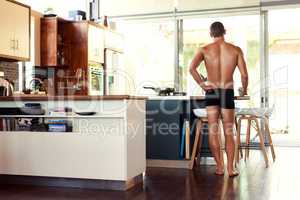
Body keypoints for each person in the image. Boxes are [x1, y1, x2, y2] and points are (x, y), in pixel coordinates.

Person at [189, 21, 248, 177]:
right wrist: (245, 90)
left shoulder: (204, 49)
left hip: (212, 92)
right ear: (224, 31)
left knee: (214, 131)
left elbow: (191, 68)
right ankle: (231, 169)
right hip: (227, 91)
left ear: (211, 34)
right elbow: (244, 75)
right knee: (229, 132)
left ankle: (220, 168)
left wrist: (203, 84)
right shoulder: (235, 50)